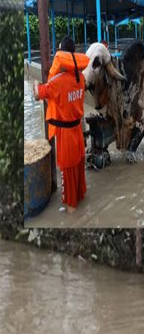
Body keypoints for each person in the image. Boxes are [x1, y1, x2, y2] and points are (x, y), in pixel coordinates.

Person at [35, 38, 89, 213]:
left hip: (65, 135)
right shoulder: (80, 78)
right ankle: (80, 196)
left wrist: (36, 84)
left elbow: (38, 94)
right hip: (78, 131)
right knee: (78, 167)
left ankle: (71, 208)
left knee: (66, 171)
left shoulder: (57, 82)